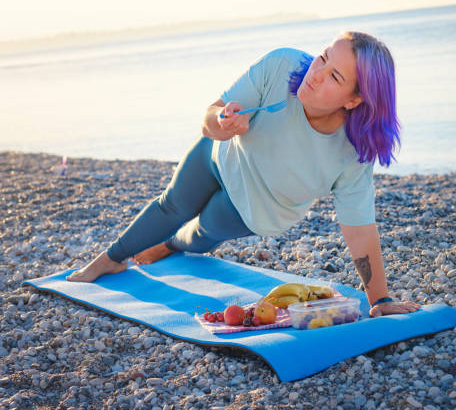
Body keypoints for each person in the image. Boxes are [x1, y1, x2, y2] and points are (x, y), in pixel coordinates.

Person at [67, 31, 420, 317]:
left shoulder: (352, 153)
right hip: (221, 154)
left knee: (200, 236)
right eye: (323, 57)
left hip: (256, 206)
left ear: (354, 100)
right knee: (172, 205)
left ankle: (169, 245)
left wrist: (379, 300)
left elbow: (359, 230)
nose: (316, 73)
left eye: (334, 76)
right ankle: (108, 261)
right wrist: (220, 125)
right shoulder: (281, 67)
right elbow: (211, 113)